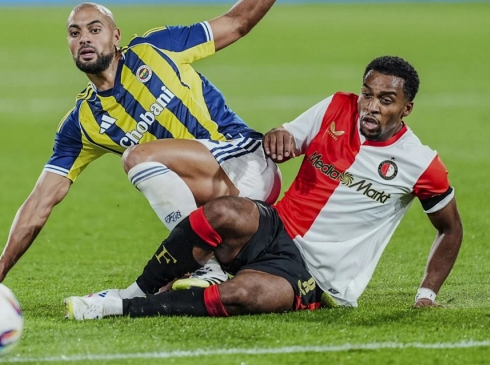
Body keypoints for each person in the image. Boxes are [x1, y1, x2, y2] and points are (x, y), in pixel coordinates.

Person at [0, 0, 322, 289]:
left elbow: (236, 23)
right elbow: (40, 201)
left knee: (138, 157)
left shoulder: (156, 48)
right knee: (188, 289)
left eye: (95, 29)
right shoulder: (81, 124)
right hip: (215, 202)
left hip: (246, 161)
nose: (84, 39)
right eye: (75, 33)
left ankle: (202, 264)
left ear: (116, 36)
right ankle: (224, 260)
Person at [63, 55, 464, 319]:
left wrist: (427, 292)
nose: (372, 106)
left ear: (406, 108)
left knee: (244, 294)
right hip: (274, 228)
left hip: (316, 275)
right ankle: (136, 290)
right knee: (225, 210)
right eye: (368, 95)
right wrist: (278, 136)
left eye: (386, 100)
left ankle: (120, 308)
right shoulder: (336, 107)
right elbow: (284, 135)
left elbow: (450, 228)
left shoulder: (421, 164)